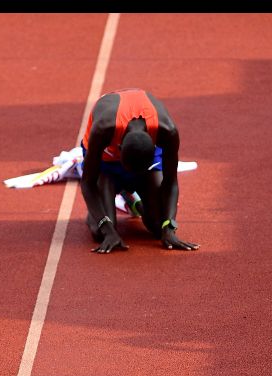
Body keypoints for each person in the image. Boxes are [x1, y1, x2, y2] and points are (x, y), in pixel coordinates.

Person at [80, 88, 200, 254]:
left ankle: (132, 199)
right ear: (119, 149)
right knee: (100, 232)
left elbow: (170, 182)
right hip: (107, 163)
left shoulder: (167, 131)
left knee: (159, 228)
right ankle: (106, 204)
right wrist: (107, 228)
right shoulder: (103, 128)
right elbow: (87, 183)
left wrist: (170, 226)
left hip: (142, 159)